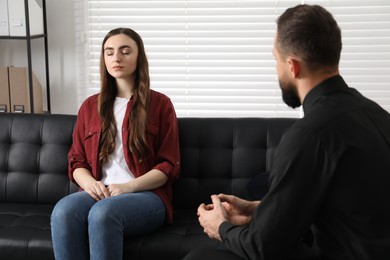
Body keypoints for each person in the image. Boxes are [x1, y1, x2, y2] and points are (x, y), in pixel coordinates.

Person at [184, 4, 390, 260]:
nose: (277, 70)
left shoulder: (310, 135)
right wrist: (256, 210)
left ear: (292, 66)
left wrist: (221, 228)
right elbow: (345, 209)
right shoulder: (377, 114)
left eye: (276, 60)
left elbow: (263, 248)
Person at [51, 27, 180, 260]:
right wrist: (91, 184)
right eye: (109, 52)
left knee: (103, 214)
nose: (116, 58)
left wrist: (127, 187)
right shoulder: (90, 106)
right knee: (63, 211)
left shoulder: (161, 105)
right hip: (100, 192)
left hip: (146, 195)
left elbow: (168, 166)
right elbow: (76, 161)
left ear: (139, 57)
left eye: (125, 51)